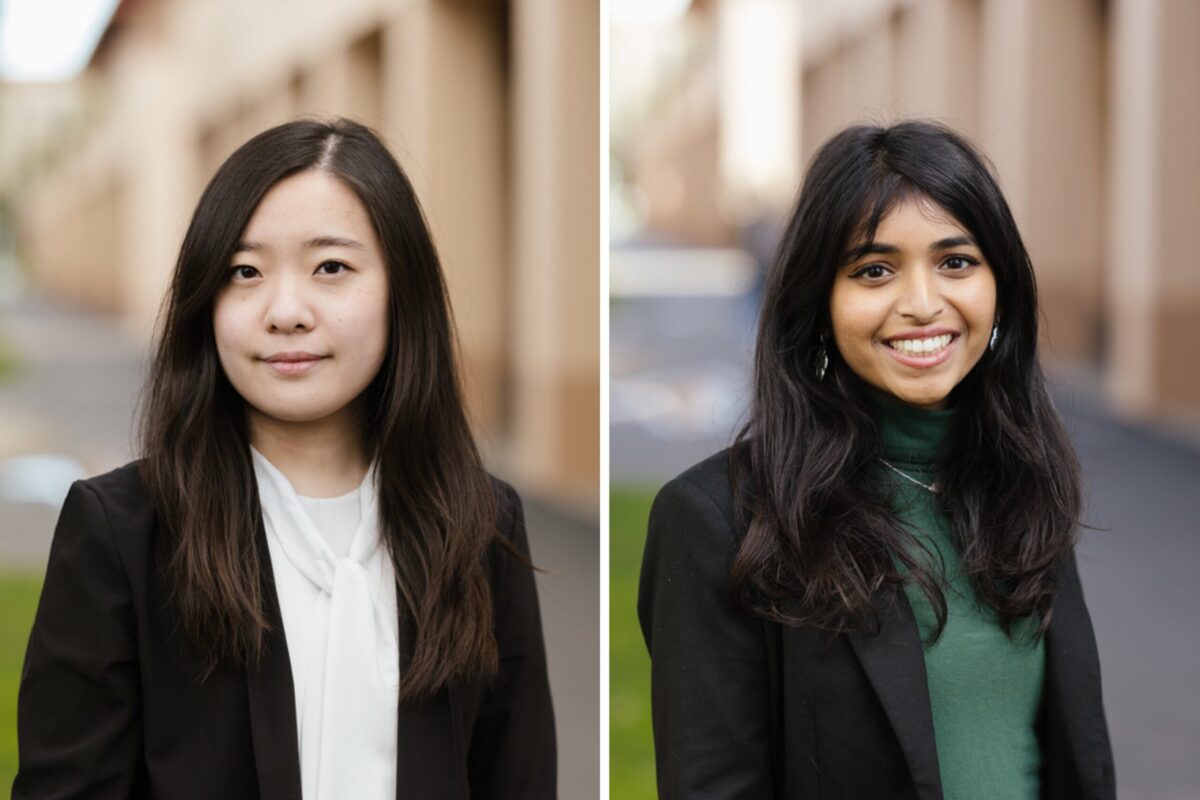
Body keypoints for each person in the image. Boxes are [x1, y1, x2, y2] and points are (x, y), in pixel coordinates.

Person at [15, 118, 556, 799]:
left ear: (402, 289)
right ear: (206, 302)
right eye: (245, 272)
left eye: (331, 267)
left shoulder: (479, 523)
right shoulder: (123, 534)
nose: (286, 311)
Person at [639, 121, 1114, 799]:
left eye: (956, 262)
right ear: (819, 301)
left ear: (1000, 283)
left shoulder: (1023, 479)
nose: (922, 305)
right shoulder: (718, 520)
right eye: (874, 270)